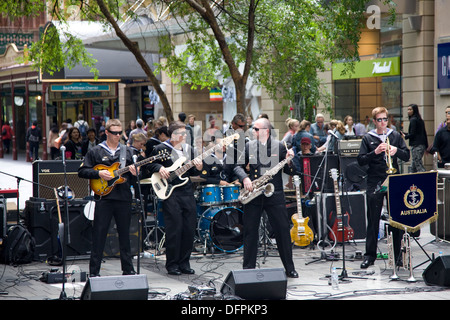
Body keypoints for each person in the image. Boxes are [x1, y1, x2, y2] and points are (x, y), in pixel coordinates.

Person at [233, 118, 298, 278]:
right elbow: (237, 166)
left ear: (266, 131)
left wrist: (290, 161)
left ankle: (290, 268)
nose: (253, 131)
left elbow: (292, 171)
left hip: (274, 194)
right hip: (254, 194)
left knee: (282, 231)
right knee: (250, 231)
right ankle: (248, 268)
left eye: (256, 129)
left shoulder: (280, 146)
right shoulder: (249, 146)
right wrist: (245, 178)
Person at [78, 119, 137, 277]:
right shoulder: (96, 151)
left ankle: (128, 269)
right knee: (99, 234)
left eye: (120, 133)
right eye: (115, 133)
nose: (118, 136)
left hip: (123, 198)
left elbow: (139, 178)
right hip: (103, 198)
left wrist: (136, 173)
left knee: (125, 234)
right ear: (106, 133)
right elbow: (81, 171)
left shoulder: (128, 152)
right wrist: (98, 173)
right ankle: (94, 272)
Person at [147, 121, 203, 275]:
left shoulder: (189, 150)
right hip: (170, 193)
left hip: (186, 191)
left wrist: (198, 167)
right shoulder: (160, 148)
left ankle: (184, 263)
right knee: (174, 229)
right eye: (182, 133)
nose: (185, 136)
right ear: (173, 135)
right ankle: (172, 264)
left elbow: (191, 174)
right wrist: (160, 168)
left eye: (186, 133)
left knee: (189, 229)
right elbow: (149, 166)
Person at [357, 107, 410, 269]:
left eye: (385, 119)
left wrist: (396, 151)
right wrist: (375, 152)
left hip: (394, 180)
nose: (382, 122)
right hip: (375, 181)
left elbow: (406, 155)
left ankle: (398, 256)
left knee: (396, 220)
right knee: (373, 219)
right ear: (374, 121)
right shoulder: (368, 138)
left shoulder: (394, 136)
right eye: (379, 120)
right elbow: (361, 160)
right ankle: (370, 256)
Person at [402, 104, 428, 172]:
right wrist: (426, 146)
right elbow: (423, 133)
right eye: (408, 109)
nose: (408, 111)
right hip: (421, 145)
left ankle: (425, 177)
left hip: (416, 145)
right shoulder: (420, 120)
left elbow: (413, 134)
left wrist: (406, 136)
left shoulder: (413, 120)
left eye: (410, 109)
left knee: (417, 163)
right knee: (414, 164)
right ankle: (412, 177)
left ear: (414, 110)